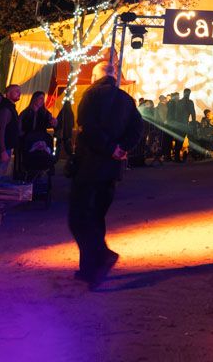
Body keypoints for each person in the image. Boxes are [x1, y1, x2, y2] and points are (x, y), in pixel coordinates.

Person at [66, 53, 145, 287]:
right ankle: (89, 269)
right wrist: (121, 148)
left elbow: (87, 127)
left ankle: (100, 257)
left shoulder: (90, 96)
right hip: (111, 169)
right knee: (97, 216)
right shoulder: (126, 99)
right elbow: (138, 128)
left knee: (79, 216)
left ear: (96, 76)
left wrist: (110, 148)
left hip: (90, 165)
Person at [16, 91, 57, 185]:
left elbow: (51, 123)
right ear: (34, 99)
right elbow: (19, 125)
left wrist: (54, 123)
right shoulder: (26, 112)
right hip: (27, 139)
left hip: (41, 138)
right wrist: (21, 133)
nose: (42, 100)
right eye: (40, 98)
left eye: (43, 98)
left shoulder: (46, 113)